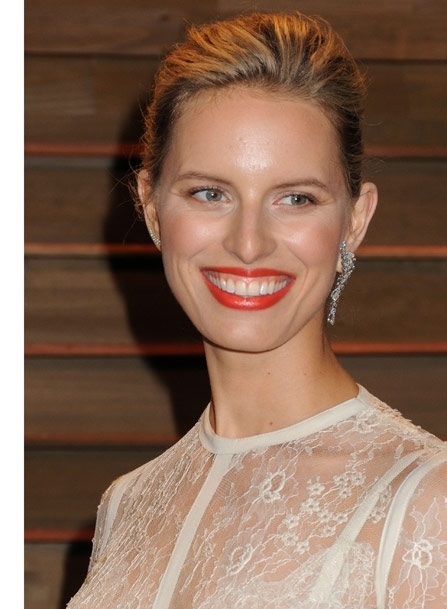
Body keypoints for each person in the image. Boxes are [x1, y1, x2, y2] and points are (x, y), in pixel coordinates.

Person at [67, 11, 447, 609]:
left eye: (295, 198)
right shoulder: (126, 506)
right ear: (151, 207)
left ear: (355, 219)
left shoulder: (427, 502)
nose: (249, 244)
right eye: (209, 193)